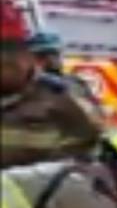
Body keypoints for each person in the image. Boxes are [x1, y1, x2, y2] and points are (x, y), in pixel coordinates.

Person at [1, 30, 106, 168]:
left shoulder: (71, 87)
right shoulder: (17, 86)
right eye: (42, 56)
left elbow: (95, 124)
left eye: (54, 55)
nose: (51, 61)